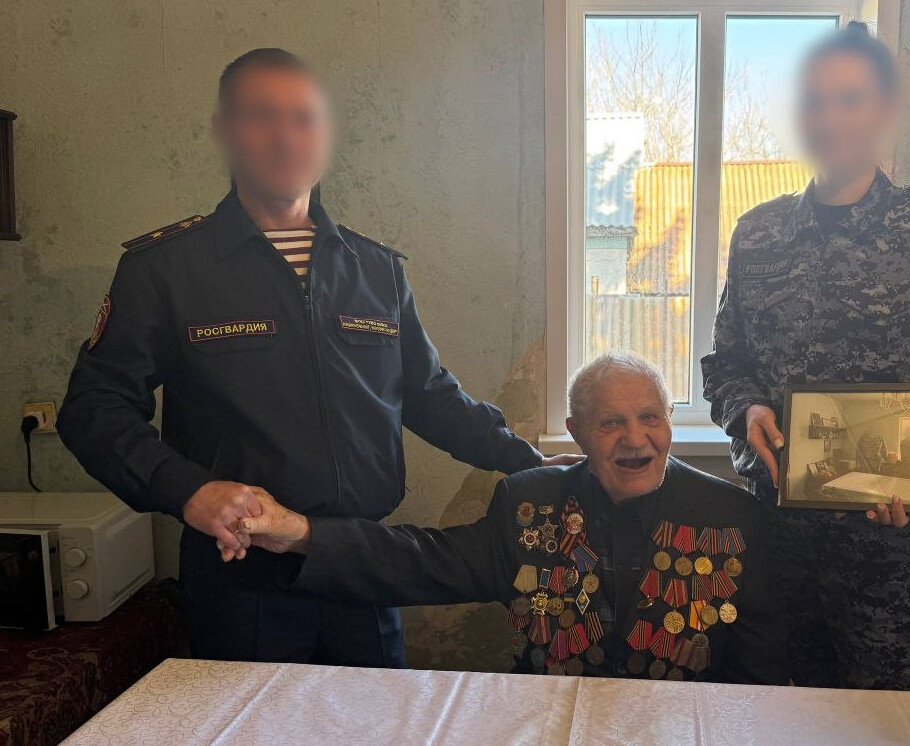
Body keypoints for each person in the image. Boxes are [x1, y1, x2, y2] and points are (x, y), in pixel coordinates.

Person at [57, 48, 576, 668]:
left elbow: (430, 396)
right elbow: (94, 409)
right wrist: (189, 490)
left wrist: (529, 462)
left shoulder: (375, 270)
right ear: (225, 130)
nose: (286, 136)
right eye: (262, 116)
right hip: (241, 578)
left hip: (361, 565)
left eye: (304, 118)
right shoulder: (166, 269)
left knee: (375, 718)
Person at [702, 23, 910, 690]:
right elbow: (727, 364)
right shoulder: (758, 234)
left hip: (891, 558)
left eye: (850, 98)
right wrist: (747, 409)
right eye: (815, 101)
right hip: (779, 542)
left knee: (883, 723)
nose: (830, 118)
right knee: (781, 719)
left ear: (884, 108)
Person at [232, 353, 787, 684]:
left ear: (669, 421)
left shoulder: (732, 517)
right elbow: (420, 562)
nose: (635, 439)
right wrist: (300, 534)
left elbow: (759, 667)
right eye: (611, 423)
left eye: (649, 417)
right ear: (576, 433)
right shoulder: (529, 508)